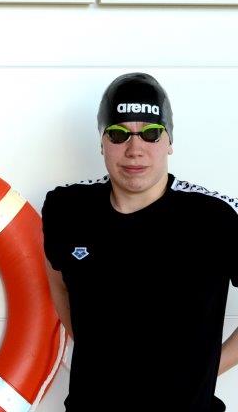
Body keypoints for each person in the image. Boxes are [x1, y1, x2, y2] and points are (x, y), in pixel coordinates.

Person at [42, 72, 238, 411]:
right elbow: (58, 283)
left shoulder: (215, 217)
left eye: (151, 133)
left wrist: (204, 371)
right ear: (102, 142)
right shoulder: (66, 208)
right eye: (119, 134)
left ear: (169, 141)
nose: (135, 150)